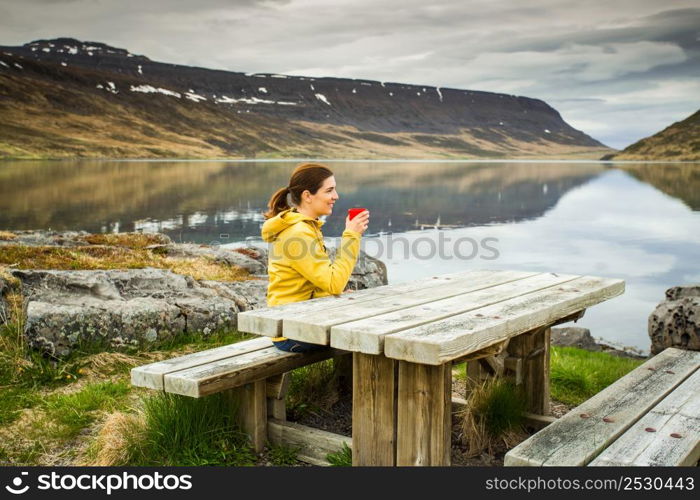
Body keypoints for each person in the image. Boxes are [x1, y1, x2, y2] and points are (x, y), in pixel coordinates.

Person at [261, 162, 370, 353]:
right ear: (307, 196)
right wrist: (351, 235)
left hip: (301, 319)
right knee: (367, 329)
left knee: (365, 319)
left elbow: (312, 282)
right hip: (291, 332)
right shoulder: (298, 233)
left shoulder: (306, 226)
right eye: (329, 190)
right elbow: (334, 283)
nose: (336, 196)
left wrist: (331, 296)